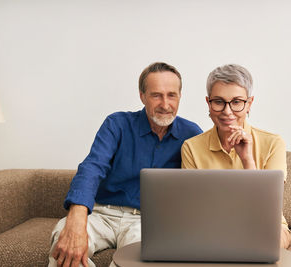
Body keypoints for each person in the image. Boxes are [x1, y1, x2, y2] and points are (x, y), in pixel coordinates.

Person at [49, 62, 202, 267]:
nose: (165, 104)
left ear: (180, 96)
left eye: (171, 95)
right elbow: (92, 167)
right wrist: (77, 215)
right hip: (101, 214)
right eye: (156, 95)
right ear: (142, 96)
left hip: (147, 223)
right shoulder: (116, 124)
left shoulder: (191, 134)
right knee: (62, 242)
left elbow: (202, 184)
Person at [181, 64, 291, 249]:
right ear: (208, 103)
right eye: (219, 101)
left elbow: (267, 207)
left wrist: (247, 159)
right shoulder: (191, 147)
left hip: (265, 225)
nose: (227, 111)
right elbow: (194, 208)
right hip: (212, 226)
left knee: (264, 243)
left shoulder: (273, 143)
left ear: (249, 104)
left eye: (237, 102)